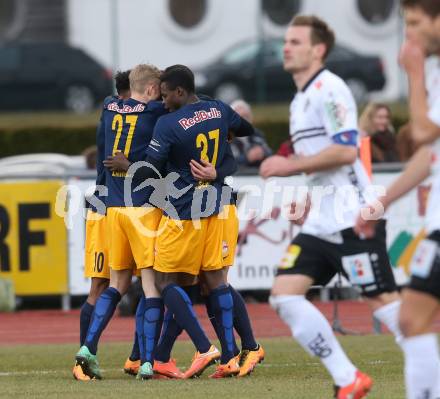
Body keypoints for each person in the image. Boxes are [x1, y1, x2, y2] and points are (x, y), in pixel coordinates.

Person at [259, 15, 402, 399]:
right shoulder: (299, 99)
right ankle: (347, 378)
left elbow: (344, 151)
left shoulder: (330, 88)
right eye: (286, 40)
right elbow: (322, 164)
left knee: (384, 302)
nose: (286, 47)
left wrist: (288, 166)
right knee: (285, 296)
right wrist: (308, 195)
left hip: (355, 216)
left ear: (318, 49)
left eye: (295, 41)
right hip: (323, 221)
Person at [356, 1, 440, 397]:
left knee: (413, 320)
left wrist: (414, 71)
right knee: (412, 320)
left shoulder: (428, 70)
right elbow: (429, 156)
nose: (410, 34)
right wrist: (382, 202)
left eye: (416, 23)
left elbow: (422, 133)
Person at [74, 64, 168, 381]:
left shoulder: (109, 106)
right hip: (143, 209)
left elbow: (122, 101)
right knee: (151, 286)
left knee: (115, 284)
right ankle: (146, 362)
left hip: (113, 209)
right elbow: (174, 105)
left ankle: (87, 348)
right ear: (153, 89)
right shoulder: (155, 113)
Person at [73, 70, 133, 380]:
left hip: (130, 206)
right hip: (107, 206)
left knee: (155, 285)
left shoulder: (111, 109)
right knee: (101, 283)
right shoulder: (115, 111)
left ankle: (141, 357)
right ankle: (84, 356)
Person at [229, 99, 272, 166]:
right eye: (240, 117)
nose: (244, 120)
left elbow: (269, 153)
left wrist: (263, 152)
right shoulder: (226, 138)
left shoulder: (257, 134)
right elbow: (227, 162)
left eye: (247, 116)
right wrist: (247, 158)